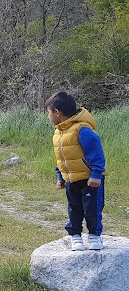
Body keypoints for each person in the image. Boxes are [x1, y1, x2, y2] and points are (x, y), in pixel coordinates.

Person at [45, 91, 107, 251]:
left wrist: (96, 174)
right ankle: (75, 236)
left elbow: (97, 154)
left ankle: (94, 236)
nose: (49, 116)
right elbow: (62, 159)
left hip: (89, 180)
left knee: (92, 208)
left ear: (57, 112)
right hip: (71, 179)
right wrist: (60, 176)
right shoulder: (59, 132)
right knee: (74, 208)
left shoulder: (82, 130)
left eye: (49, 112)